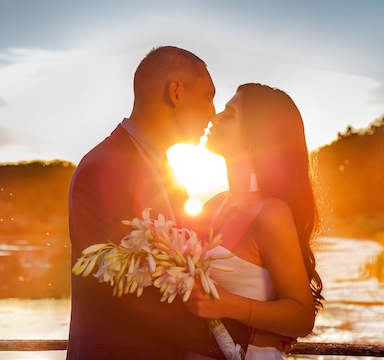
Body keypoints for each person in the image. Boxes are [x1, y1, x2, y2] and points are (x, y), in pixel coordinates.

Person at [66, 46, 251, 359]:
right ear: (175, 92)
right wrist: (231, 337)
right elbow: (122, 289)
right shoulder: (105, 166)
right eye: (208, 96)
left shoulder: (166, 173)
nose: (212, 112)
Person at [184, 83, 325, 360]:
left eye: (228, 114)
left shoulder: (271, 214)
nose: (213, 118)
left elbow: (302, 317)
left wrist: (229, 306)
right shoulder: (214, 204)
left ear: (253, 137)